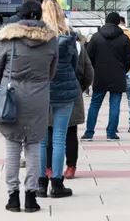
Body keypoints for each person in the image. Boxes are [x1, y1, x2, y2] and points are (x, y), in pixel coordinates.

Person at [0, 1, 58, 213]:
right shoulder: (51, 40)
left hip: (11, 98)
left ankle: (13, 198)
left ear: (20, 16)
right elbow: (52, 72)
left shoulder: (8, 38)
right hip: (39, 99)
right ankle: (31, 197)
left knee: (12, 148)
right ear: (40, 16)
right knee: (33, 147)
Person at [36, 0, 79, 199]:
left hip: (42, 91)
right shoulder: (70, 37)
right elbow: (75, 65)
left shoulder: (38, 37)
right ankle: (57, 184)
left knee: (42, 140)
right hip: (65, 91)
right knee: (60, 138)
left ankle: (41, 184)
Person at [45, 32, 93, 180]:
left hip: (48, 93)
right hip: (72, 92)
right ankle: (71, 167)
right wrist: (80, 88)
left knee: (49, 132)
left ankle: (48, 168)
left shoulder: (44, 44)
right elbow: (88, 73)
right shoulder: (77, 45)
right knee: (71, 132)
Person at [82, 12, 130, 140]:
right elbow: (129, 58)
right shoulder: (124, 38)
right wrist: (122, 70)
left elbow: (88, 57)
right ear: (117, 22)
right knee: (115, 104)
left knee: (95, 104)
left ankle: (89, 133)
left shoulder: (96, 37)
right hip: (118, 76)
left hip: (100, 75)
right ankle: (111, 133)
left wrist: (95, 70)